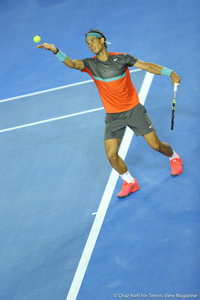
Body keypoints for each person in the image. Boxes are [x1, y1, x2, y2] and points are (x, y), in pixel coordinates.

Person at [37, 29, 183, 198]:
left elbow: (148, 66)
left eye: (93, 41)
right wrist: (55, 51)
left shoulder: (121, 58)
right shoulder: (90, 65)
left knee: (156, 146)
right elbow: (71, 64)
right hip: (113, 116)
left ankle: (174, 157)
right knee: (111, 155)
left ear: (102, 40)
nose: (91, 45)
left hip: (133, 110)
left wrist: (170, 72)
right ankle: (130, 182)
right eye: (88, 43)